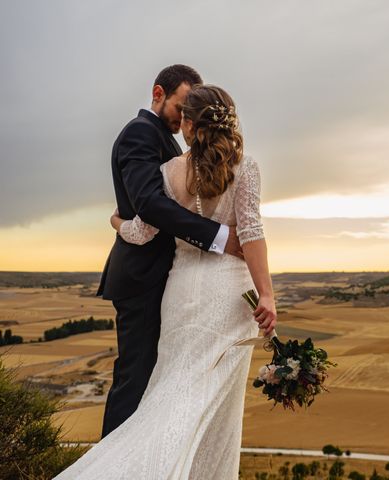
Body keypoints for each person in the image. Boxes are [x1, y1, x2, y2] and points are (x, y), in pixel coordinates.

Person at [54, 83, 277, 479]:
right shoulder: (246, 167)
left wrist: (116, 222)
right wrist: (267, 295)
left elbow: (143, 230)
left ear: (188, 126)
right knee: (215, 403)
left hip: (180, 292)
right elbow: (252, 234)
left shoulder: (169, 172)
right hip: (228, 293)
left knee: (171, 390)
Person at [96, 65, 245, 439]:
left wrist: (118, 222)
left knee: (153, 383)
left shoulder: (166, 139)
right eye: (181, 106)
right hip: (141, 277)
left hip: (162, 276)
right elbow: (148, 202)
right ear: (158, 93)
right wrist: (219, 236)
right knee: (135, 380)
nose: (185, 117)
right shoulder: (140, 133)